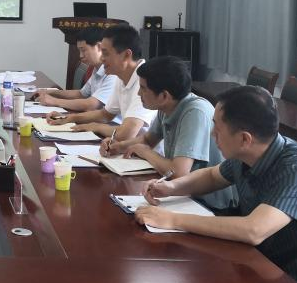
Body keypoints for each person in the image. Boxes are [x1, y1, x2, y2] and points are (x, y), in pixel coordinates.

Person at [136, 85, 297, 283]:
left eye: (217, 129)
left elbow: (253, 230)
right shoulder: (250, 152)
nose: (212, 134)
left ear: (245, 139)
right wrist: (171, 187)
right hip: (261, 264)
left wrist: (172, 220)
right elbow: (212, 176)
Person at [101, 56, 235, 210]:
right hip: (183, 194)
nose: (138, 93)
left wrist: (145, 152)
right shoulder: (167, 107)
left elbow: (178, 173)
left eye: (143, 88)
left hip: (209, 204)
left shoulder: (195, 112)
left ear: (164, 96)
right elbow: (147, 140)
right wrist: (118, 146)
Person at [53, 24, 156, 141]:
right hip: (127, 145)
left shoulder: (145, 82)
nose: (102, 58)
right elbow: (105, 115)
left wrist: (95, 127)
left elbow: (126, 134)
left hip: (144, 151)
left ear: (126, 55)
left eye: (106, 53)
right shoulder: (121, 77)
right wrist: (70, 118)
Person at [34, 27, 114, 113]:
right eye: (79, 51)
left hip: (107, 121)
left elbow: (91, 105)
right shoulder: (96, 69)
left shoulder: (113, 73)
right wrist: (50, 92)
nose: (80, 56)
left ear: (99, 47)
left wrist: (54, 101)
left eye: (83, 50)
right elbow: (81, 94)